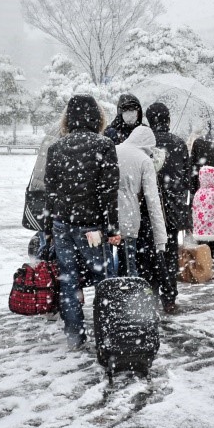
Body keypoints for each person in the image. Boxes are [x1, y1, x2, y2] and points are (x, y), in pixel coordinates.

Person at [44, 95, 120, 348]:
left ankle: (74, 334)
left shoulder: (56, 148)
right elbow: (109, 191)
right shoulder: (104, 145)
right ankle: (105, 331)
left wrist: (48, 228)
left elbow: (50, 191)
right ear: (97, 117)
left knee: (68, 279)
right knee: (102, 279)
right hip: (93, 226)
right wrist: (112, 228)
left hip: (62, 223)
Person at [115, 126, 168, 285]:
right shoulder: (144, 160)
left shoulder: (113, 149)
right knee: (130, 267)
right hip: (129, 219)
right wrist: (160, 239)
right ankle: (131, 301)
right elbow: (153, 201)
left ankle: (110, 298)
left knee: (108, 266)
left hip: (107, 217)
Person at [145, 103, 191, 285]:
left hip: (150, 206)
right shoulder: (179, 143)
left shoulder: (146, 144)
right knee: (171, 250)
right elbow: (187, 177)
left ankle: (154, 289)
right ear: (168, 119)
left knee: (151, 250)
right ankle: (170, 293)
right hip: (173, 207)